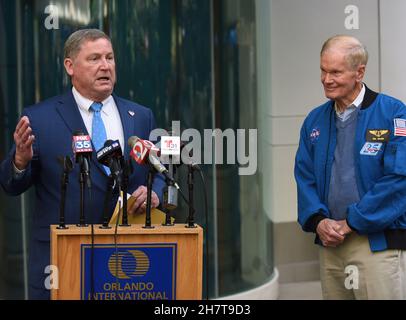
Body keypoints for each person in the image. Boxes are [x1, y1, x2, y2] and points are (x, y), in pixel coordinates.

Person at [0, 29, 165, 299]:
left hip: (129, 263)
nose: (105, 66)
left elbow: (159, 171)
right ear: (70, 66)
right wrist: (20, 160)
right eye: (95, 58)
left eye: (110, 58)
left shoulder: (141, 116)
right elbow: (10, 184)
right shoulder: (39, 119)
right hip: (61, 262)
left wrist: (155, 192)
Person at [295, 35, 406, 299]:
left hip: (377, 246)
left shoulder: (394, 113)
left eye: (335, 72)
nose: (326, 79)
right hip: (330, 245)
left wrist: (351, 222)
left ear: (359, 72)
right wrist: (318, 221)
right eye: (323, 70)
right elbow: (304, 176)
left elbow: (399, 179)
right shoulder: (315, 120)